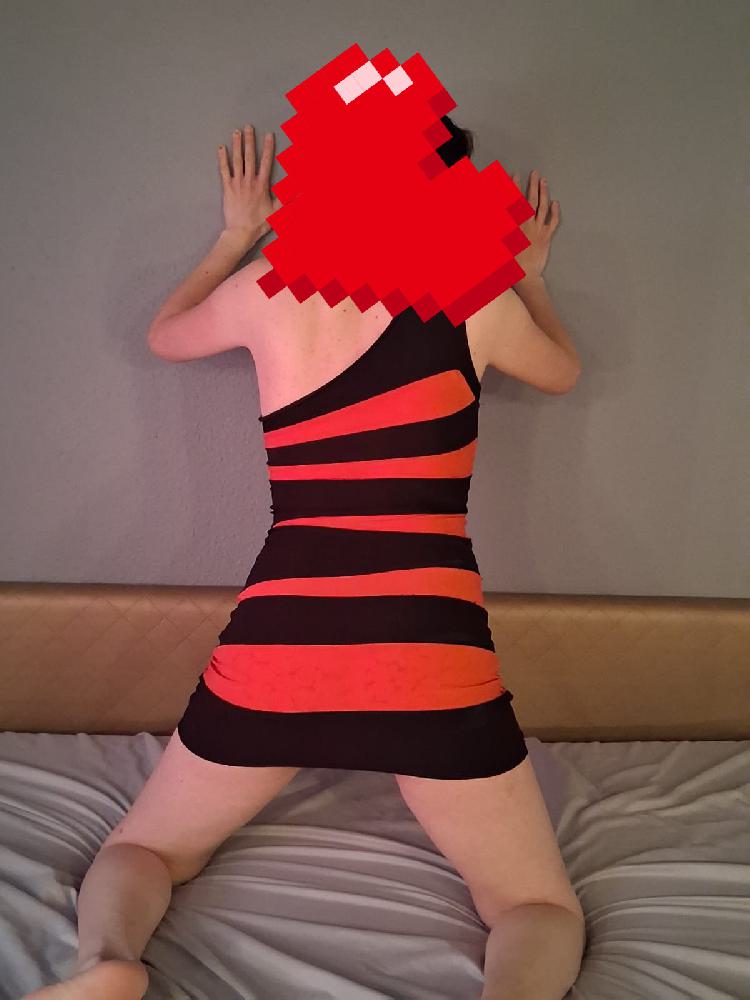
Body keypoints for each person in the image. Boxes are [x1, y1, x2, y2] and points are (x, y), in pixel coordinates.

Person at [26, 118, 585, 1000]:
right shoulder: (478, 296)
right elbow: (562, 372)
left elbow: (165, 335)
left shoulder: (270, 286)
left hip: (284, 636)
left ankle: (105, 963)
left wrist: (234, 237)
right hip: (425, 643)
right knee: (534, 908)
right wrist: (530, 277)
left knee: (146, 852)